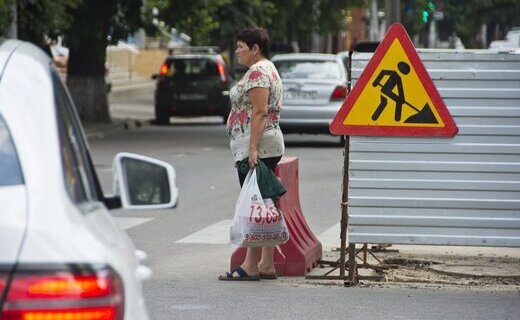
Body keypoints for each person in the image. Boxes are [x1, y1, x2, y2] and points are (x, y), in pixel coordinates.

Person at [219, 27, 285, 281]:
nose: (236, 51)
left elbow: (259, 112)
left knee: (254, 205)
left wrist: (252, 149)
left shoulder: (258, 72)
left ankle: (249, 265)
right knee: (266, 203)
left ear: (255, 48)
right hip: (264, 145)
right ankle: (266, 264)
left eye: (240, 47)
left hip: (259, 147)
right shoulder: (267, 68)